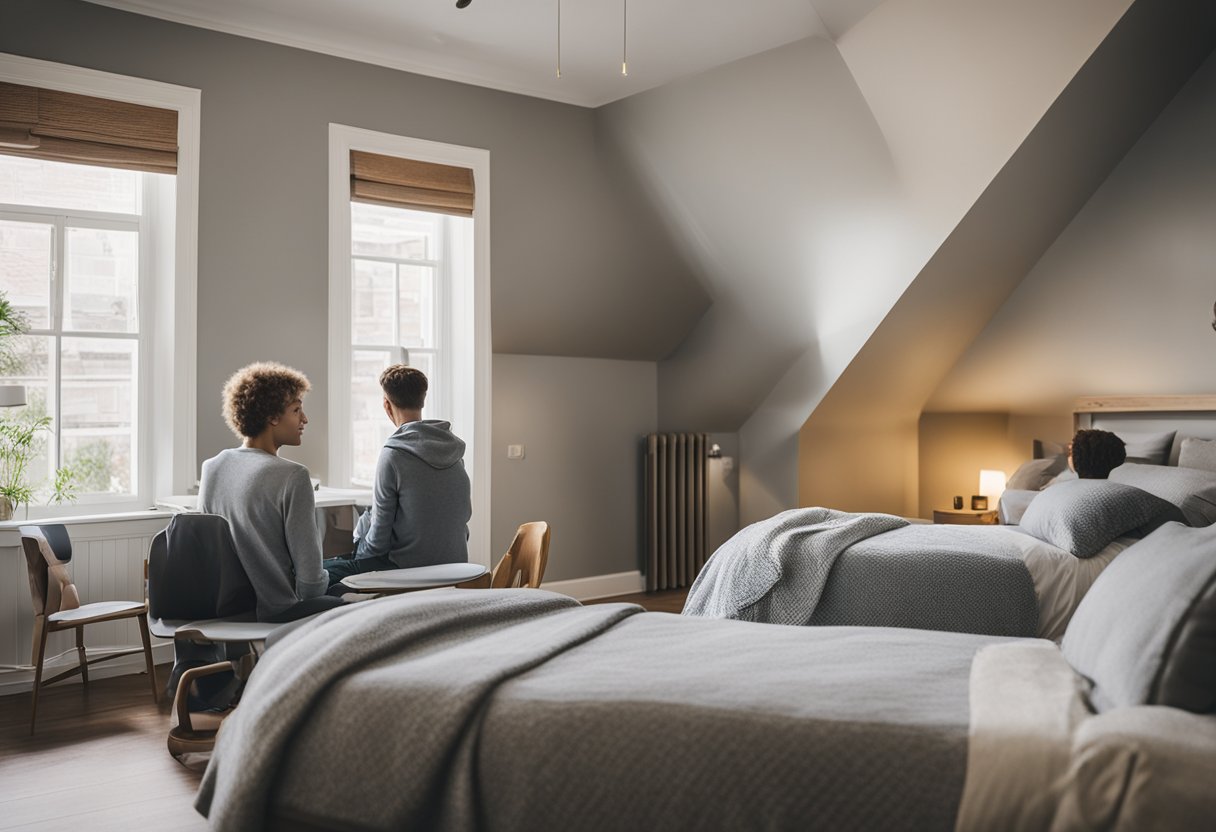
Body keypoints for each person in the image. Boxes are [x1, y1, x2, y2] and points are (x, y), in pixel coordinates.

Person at [199, 361, 342, 622]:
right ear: (273, 417)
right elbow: (310, 585)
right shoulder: (293, 476)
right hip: (275, 611)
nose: (305, 419)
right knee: (354, 599)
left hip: (224, 611)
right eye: (297, 410)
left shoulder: (212, 467)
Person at [326, 365, 471, 588]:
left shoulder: (393, 455)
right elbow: (462, 520)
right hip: (454, 566)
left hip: (405, 570)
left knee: (318, 574)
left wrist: (358, 556)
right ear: (422, 399)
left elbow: (378, 542)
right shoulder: (453, 450)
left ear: (386, 404)